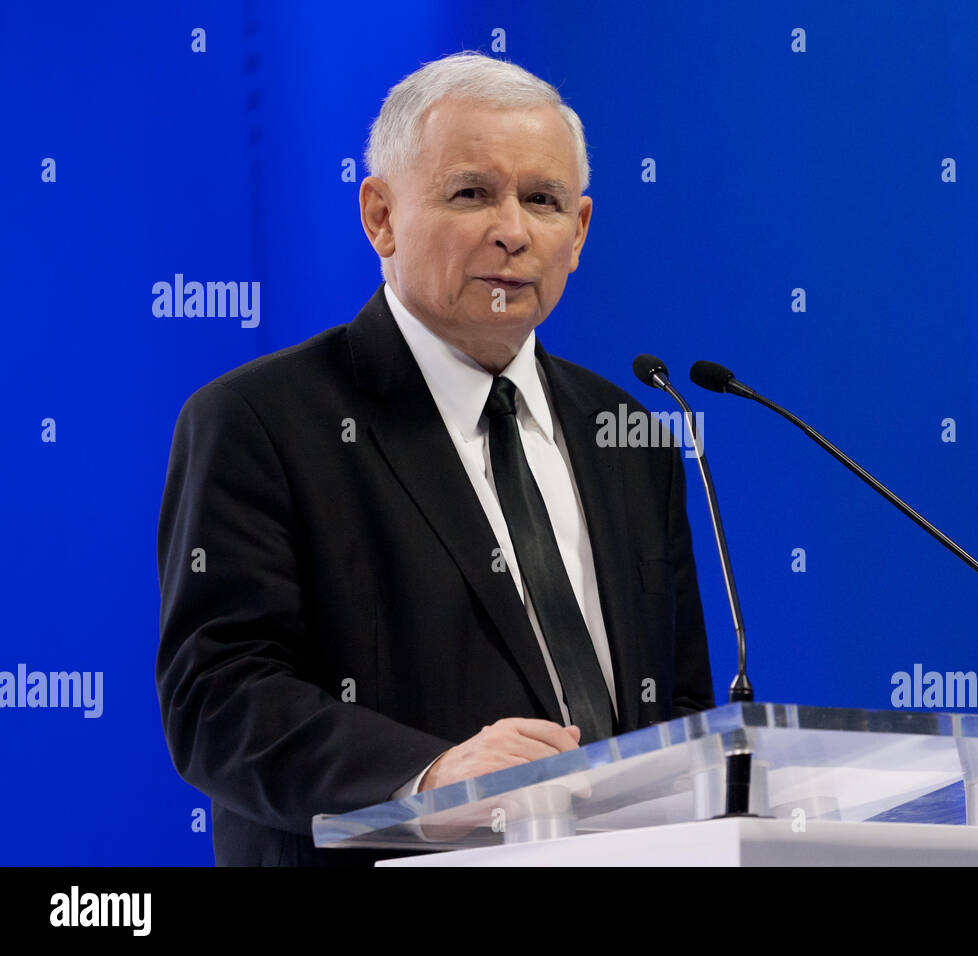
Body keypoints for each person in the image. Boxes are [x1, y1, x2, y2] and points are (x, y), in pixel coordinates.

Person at [155, 51, 715, 867]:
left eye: (544, 200)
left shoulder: (626, 431)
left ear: (580, 232)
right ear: (380, 216)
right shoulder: (260, 421)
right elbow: (217, 699)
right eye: (471, 193)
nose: (514, 230)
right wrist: (432, 777)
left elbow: (682, 700)